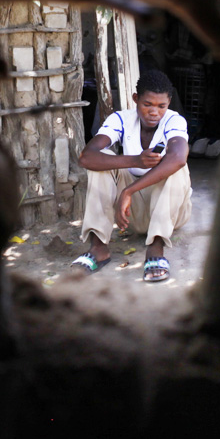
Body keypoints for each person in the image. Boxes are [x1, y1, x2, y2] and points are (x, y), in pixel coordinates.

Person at [71, 69, 192, 282]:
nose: (154, 112)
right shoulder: (121, 119)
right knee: (102, 161)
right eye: (147, 104)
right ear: (136, 99)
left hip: (172, 214)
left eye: (161, 106)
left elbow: (179, 158)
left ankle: (156, 247)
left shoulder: (174, 121)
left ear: (169, 103)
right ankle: (98, 247)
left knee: (176, 166)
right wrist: (135, 160)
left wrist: (128, 191)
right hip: (132, 214)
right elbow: (86, 157)